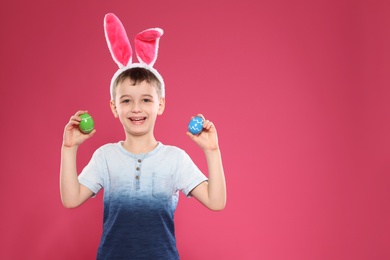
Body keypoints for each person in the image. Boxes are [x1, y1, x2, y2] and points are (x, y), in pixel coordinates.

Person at [60, 13, 226, 260]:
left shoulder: (175, 159)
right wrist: (68, 148)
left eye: (146, 100)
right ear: (115, 108)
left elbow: (216, 201)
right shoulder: (105, 157)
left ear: (160, 105)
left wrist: (212, 151)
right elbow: (71, 199)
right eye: (126, 100)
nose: (136, 108)